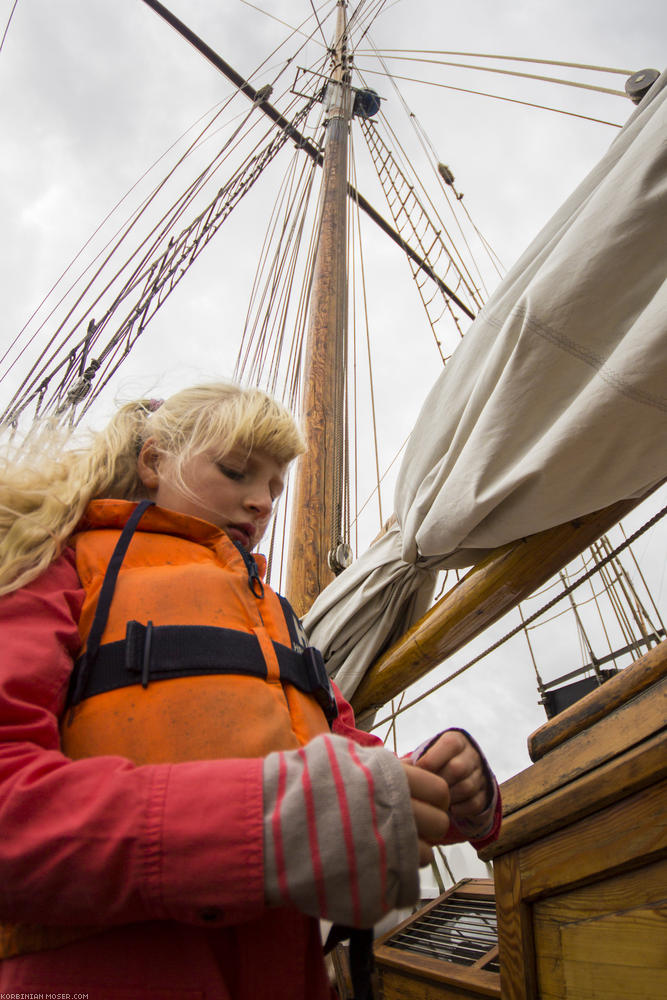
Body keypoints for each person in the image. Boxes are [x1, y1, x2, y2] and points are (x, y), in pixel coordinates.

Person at [0, 382, 500, 999]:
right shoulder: (59, 567)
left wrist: (432, 784)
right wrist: (267, 824)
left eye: (275, 489)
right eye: (237, 471)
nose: (262, 502)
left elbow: (344, 765)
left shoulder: (280, 622)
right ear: (154, 462)